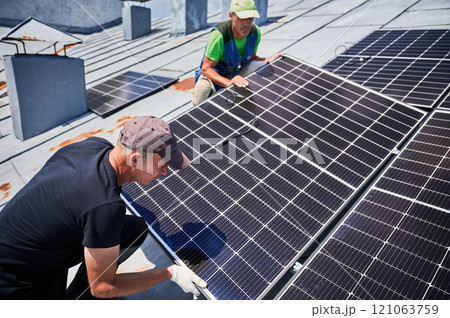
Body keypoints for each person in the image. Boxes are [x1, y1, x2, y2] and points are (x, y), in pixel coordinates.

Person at [0, 116, 207, 299]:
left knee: (133, 229)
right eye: (162, 164)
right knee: (102, 285)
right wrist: (170, 273)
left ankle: (80, 296)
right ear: (135, 159)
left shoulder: (94, 146)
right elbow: (102, 287)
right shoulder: (104, 206)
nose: (164, 172)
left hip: (31, 247)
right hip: (16, 282)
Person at [192, 0, 284, 106]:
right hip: (215, 76)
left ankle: (256, 103)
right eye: (242, 18)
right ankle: (195, 116)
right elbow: (206, 69)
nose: (246, 24)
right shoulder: (220, 34)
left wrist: (267, 60)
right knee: (202, 88)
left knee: (265, 66)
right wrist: (230, 83)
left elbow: (252, 57)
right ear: (231, 16)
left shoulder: (255, 33)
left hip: (236, 73)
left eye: (250, 18)